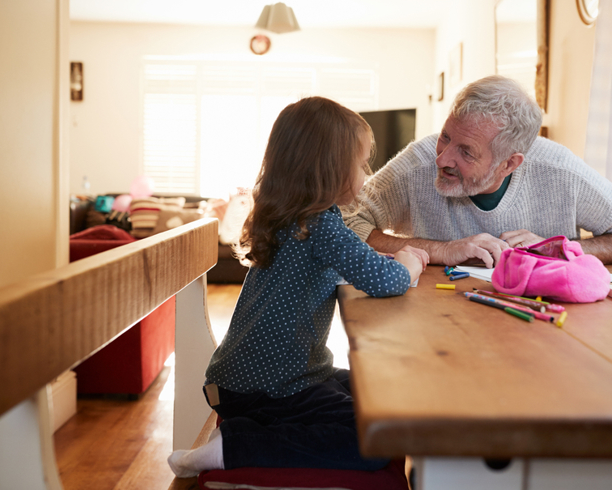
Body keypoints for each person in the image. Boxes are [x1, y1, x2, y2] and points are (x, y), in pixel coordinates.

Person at [167, 96, 428, 477]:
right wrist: (407, 262)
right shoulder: (321, 225)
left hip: (249, 378)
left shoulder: (289, 217)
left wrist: (383, 264)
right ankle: (235, 446)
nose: (366, 172)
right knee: (370, 443)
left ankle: (248, 434)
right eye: (361, 163)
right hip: (268, 387)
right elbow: (385, 281)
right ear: (331, 170)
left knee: (379, 392)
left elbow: (345, 266)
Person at [344, 75, 612, 267]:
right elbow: (342, 221)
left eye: (466, 152)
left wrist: (562, 249)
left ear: (510, 163)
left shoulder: (559, 171)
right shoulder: (417, 163)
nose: (441, 158)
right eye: (445, 136)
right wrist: (443, 250)